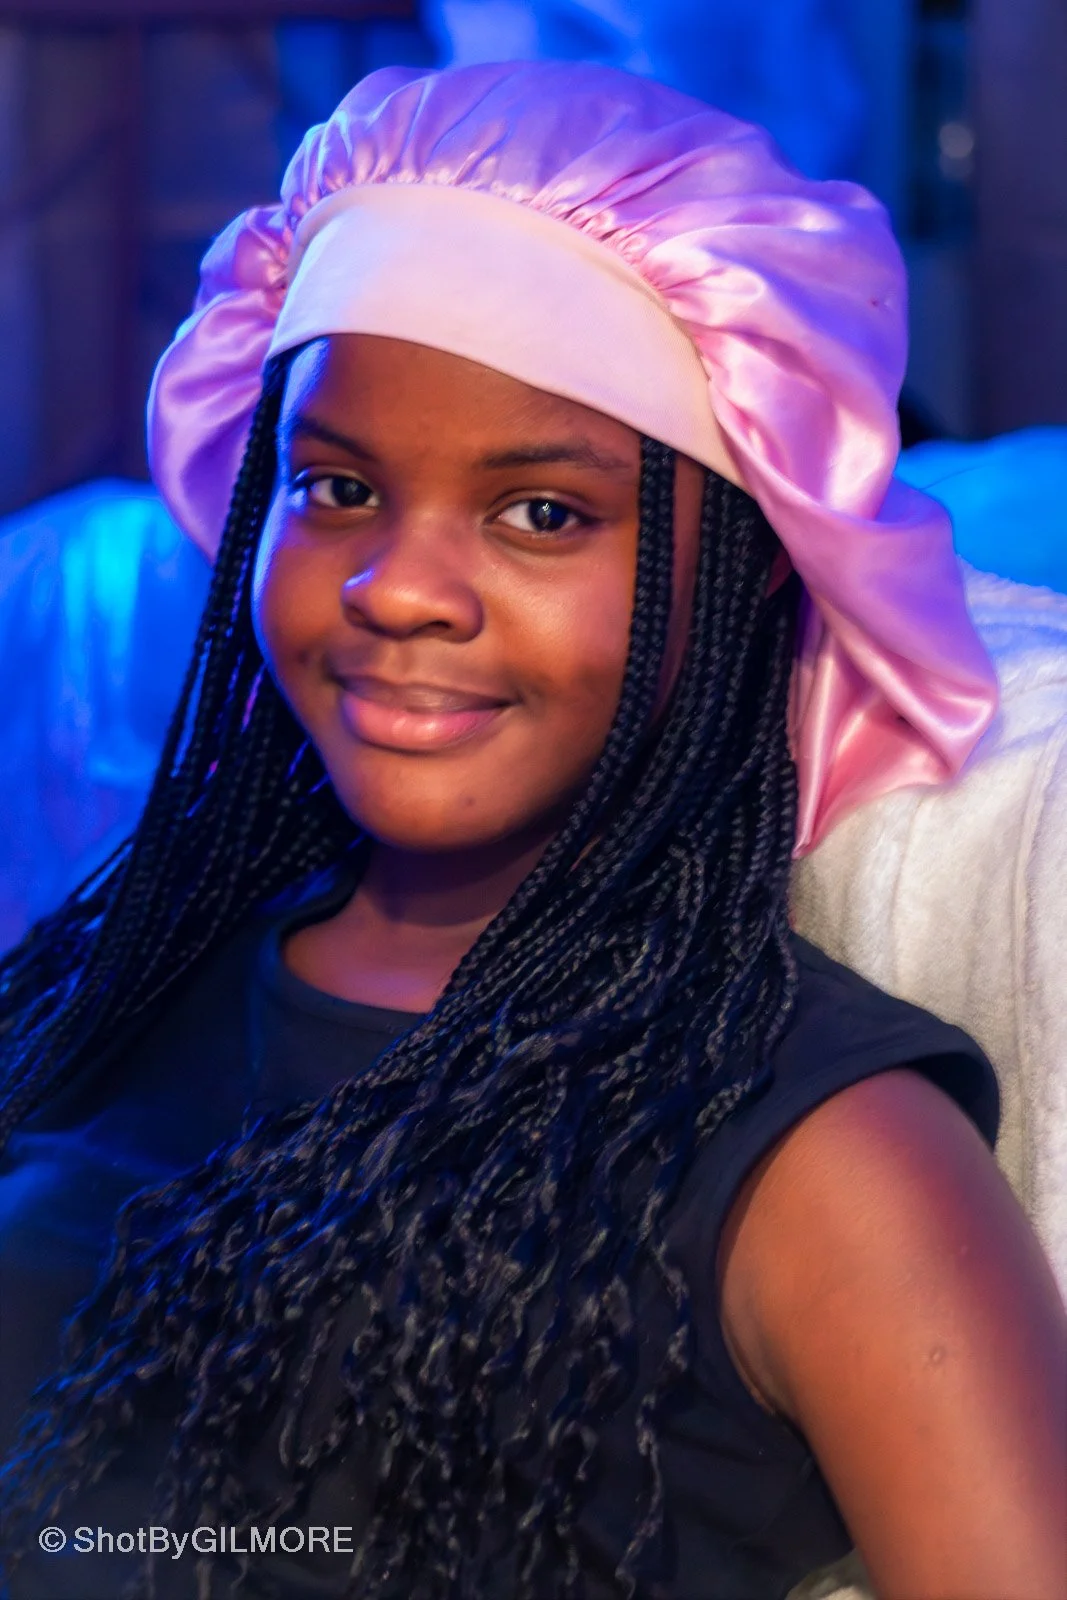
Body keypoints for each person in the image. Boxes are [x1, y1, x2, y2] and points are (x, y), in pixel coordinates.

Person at [0, 60, 1064, 1600]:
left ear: (752, 564)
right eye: (336, 486)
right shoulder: (124, 975)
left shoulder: (821, 1153)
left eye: (542, 513)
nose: (398, 587)